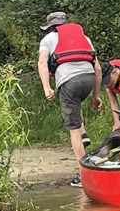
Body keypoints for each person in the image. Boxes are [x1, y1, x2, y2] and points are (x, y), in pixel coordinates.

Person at [37, 11, 102, 187]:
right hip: (89, 79)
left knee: (73, 129)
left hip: (69, 82)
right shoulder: (84, 38)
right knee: (76, 104)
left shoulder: (48, 39)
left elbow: (42, 63)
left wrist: (46, 87)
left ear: (51, 27)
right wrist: (95, 96)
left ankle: (83, 176)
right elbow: (97, 69)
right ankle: (84, 133)